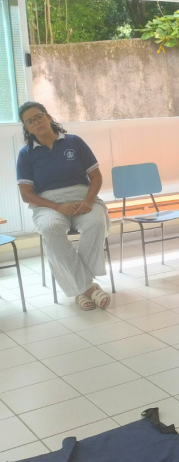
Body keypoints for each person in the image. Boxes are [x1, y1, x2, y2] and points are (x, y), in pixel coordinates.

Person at [17, 102, 111, 310]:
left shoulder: (74, 142)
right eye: (30, 121)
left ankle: (80, 288)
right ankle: (88, 288)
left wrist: (88, 201)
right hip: (48, 205)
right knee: (50, 229)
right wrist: (57, 206)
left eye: (39, 116)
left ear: (48, 117)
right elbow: (26, 194)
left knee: (96, 221)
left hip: (83, 197)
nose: (36, 122)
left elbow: (96, 177)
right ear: (27, 128)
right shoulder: (26, 154)